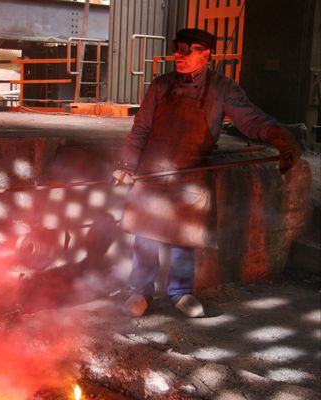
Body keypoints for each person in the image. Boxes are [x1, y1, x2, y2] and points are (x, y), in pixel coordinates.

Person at [113, 28, 302, 318]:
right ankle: (141, 291)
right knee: (145, 236)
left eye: (187, 50)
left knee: (185, 237)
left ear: (205, 54)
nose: (179, 55)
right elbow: (141, 129)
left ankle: (180, 292)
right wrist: (127, 165)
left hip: (191, 172)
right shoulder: (161, 85)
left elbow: (251, 121)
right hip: (152, 172)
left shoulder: (222, 88)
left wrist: (280, 137)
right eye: (177, 49)